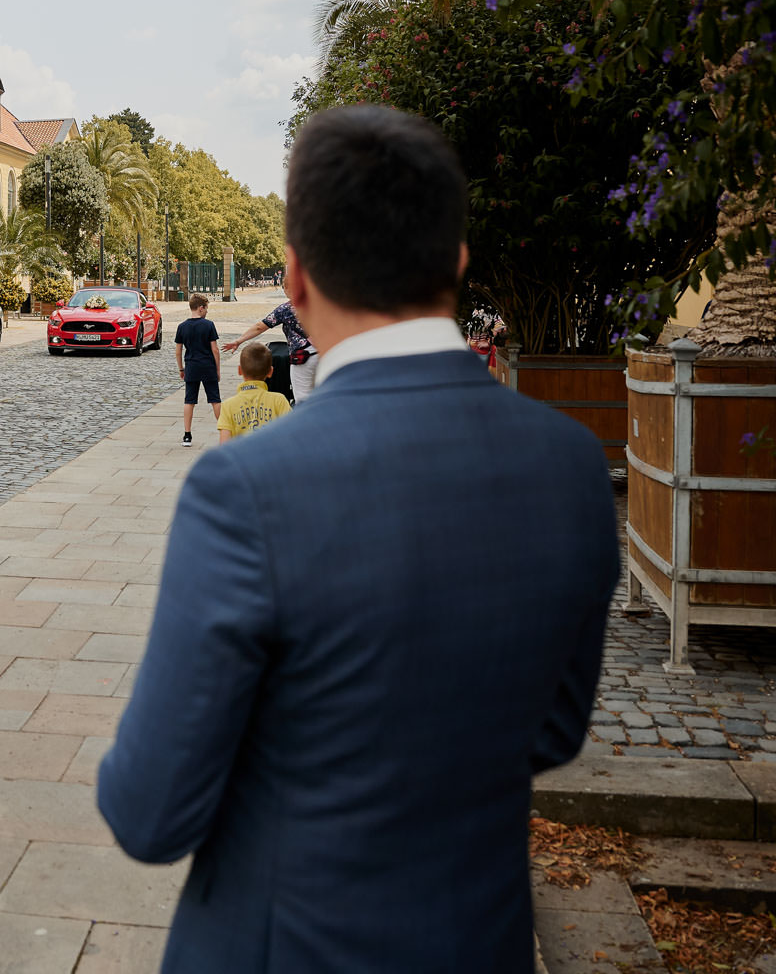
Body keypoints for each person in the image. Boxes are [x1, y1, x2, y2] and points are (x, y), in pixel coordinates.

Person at [97, 105, 619, 974]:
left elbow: (149, 813)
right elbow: (556, 731)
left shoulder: (245, 489)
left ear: (296, 279)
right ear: (457, 261)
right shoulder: (569, 464)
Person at [222, 298, 318, 403]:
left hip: (303, 357)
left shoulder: (287, 308)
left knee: (302, 397)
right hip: (325, 353)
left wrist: (239, 341)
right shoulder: (323, 302)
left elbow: (260, 327)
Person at [216, 343, 290, 444]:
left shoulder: (228, 405)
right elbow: (289, 435)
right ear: (270, 371)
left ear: (240, 370)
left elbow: (224, 444)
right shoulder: (279, 400)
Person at [173, 294, 220, 447]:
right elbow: (215, 350)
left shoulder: (182, 326)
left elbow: (178, 351)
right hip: (208, 366)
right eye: (206, 309)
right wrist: (217, 369)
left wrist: (181, 368)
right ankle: (223, 431)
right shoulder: (209, 325)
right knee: (215, 399)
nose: (207, 311)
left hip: (191, 366)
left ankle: (187, 435)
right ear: (201, 308)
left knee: (189, 400)